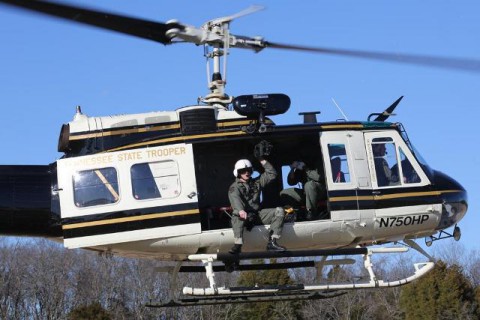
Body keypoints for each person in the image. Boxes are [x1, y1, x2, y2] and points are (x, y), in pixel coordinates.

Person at [228, 158, 286, 254]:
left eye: (249, 170)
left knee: (279, 210)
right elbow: (235, 200)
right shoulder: (234, 187)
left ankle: (272, 242)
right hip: (243, 217)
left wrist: (262, 160)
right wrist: (241, 211)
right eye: (243, 171)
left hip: (257, 215)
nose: (246, 173)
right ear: (237, 173)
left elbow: (272, 174)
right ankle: (238, 244)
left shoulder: (257, 182)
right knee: (236, 216)